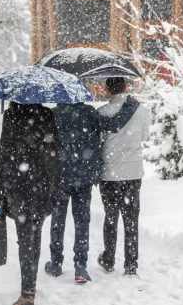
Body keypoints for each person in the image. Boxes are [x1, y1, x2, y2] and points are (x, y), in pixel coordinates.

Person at [45, 101, 137, 284]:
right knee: (82, 222)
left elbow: (45, 143)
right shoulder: (88, 112)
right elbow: (114, 124)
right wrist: (129, 106)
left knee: (57, 220)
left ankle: (55, 263)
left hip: (59, 176)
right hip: (83, 176)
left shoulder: (53, 115)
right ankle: (80, 266)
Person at [0, 102, 62, 305]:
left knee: (24, 238)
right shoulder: (47, 114)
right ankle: (30, 286)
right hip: (41, 186)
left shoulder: (11, 115)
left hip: (18, 186)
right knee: (35, 234)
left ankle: (27, 292)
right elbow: (55, 152)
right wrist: (54, 185)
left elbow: (3, 154)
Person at [97, 77, 150, 278]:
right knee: (131, 220)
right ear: (126, 88)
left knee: (111, 218)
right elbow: (144, 137)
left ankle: (109, 259)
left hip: (110, 174)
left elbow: (98, 140)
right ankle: (131, 265)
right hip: (133, 174)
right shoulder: (142, 111)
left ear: (107, 89)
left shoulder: (102, 112)